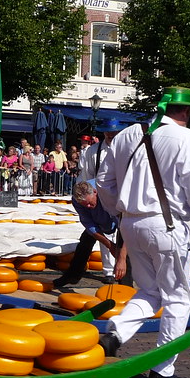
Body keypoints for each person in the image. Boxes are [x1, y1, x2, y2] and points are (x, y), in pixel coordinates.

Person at [97, 88, 190, 378]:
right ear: (186, 111)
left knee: (150, 291)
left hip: (131, 224)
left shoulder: (126, 135)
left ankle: (115, 334)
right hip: (166, 226)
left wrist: (119, 212)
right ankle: (162, 370)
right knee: (178, 298)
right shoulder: (185, 138)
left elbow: (103, 182)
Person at [59, 117, 126, 286]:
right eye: (108, 132)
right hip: (94, 193)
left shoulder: (125, 149)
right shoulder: (93, 151)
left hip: (117, 196)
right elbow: (87, 174)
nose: (110, 135)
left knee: (122, 233)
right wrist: (87, 195)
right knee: (91, 235)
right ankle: (75, 274)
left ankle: (123, 277)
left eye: (114, 132)